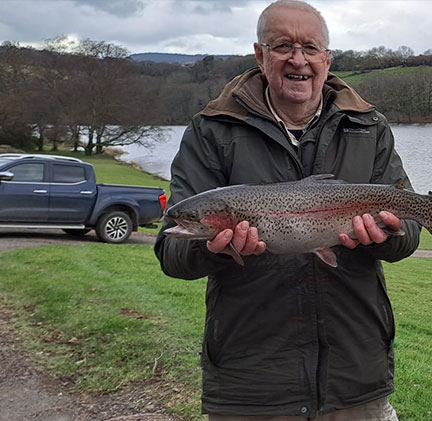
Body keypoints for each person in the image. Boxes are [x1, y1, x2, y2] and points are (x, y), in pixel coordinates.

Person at [154, 1, 416, 419]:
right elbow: (171, 254)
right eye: (282, 46)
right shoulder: (213, 130)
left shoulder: (369, 127)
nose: (298, 59)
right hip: (251, 383)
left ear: (327, 60)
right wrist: (214, 248)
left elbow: (408, 239)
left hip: (355, 378)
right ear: (260, 55)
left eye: (310, 48)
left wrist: (390, 234)